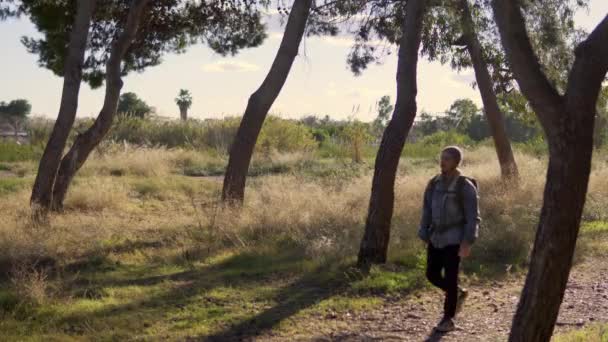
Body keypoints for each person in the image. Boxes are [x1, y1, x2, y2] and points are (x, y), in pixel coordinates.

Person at [418, 146, 480, 333]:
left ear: (456, 162)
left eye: (447, 158)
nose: (442, 161)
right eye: (441, 157)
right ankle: (458, 293)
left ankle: (448, 319)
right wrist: (424, 232)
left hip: (455, 238)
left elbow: (473, 216)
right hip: (436, 237)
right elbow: (426, 209)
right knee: (432, 275)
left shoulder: (464, 186)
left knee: (451, 278)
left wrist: (467, 242)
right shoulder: (434, 183)